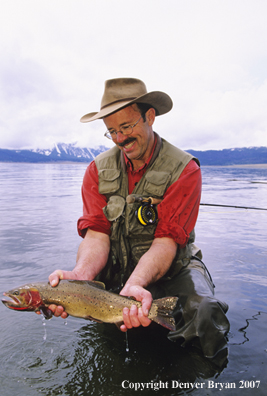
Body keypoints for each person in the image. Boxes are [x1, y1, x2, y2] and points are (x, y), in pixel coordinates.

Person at [47, 78, 230, 359]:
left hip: (173, 268)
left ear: (150, 117)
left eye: (127, 127)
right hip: (119, 267)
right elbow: (96, 234)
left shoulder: (185, 170)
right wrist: (83, 276)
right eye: (112, 132)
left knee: (205, 313)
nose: (120, 138)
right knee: (108, 326)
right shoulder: (96, 171)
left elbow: (166, 242)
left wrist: (135, 285)